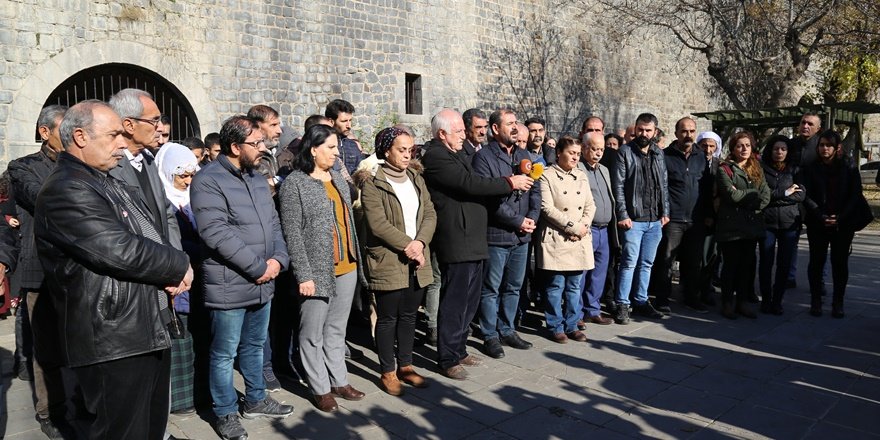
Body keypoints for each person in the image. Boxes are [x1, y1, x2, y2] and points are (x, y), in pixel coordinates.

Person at [34, 100, 193, 440]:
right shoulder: (67, 188)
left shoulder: (103, 179)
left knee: (149, 428)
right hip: (112, 337)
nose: (122, 142)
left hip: (140, 328)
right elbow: (120, 250)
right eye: (113, 134)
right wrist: (179, 265)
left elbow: (149, 229)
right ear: (80, 136)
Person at [190, 116, 293, 440]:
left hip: (264, 280)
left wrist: (278, 259)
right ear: (235, 147)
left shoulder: (256, 177)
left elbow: (273, 224)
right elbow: (215, 232)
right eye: (256, 143)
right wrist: (258, 267)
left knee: (254, 345)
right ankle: (225, 412)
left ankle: (256, 398)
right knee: (224, 353)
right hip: (230, 283)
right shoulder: (208, 180)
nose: (263, 149)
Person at [420, 109, 533, 380]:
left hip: (473, 236)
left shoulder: (457, 152)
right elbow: (469, 183)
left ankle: (459, 349)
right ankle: (447, 357)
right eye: (458, 131)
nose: (464, 135)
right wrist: (509, 182)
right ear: (442, 133)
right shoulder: (436, 156)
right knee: (455, 299)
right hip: (457, 236)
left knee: (470, 299)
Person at [279, 124, 367, 412]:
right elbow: (292, 233)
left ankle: (339, 380)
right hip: (316, 271)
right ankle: (320, 387)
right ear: (313, 149)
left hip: (347, 265)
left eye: (336, 148)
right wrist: (303, 275)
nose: (336, 153)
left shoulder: (337, 179)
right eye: (330, 148)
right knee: (312, 332)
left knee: (337, 329)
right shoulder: (295, 184)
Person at [6, 104, 69, 438]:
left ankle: (78, 400)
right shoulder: (22, 167)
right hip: (40, 270)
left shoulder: (81, 165)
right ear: (45, 132)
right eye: (65, 128)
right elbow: (43, 198)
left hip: (76, 270)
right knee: (45, 348)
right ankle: (50, 413)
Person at [360, 127, 436, 396]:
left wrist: (420, 244)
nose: (407, 155)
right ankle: (388, 371)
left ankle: (406, 366)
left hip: (416, 259)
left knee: (409, 316)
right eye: (401, 150)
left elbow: (429, 214)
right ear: (386, 151)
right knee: (387, 318)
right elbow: (377, 224)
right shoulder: (372, 182)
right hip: (389, 259)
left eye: (410, 150)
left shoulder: (416, 177)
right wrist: (409, 245)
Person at [473, 110, 539, 359]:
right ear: (494, 129)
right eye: (509, 124)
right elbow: (490, 198)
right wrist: (518, 220)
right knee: (491, 287)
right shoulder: (484, 159)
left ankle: (507, 329)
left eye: (515, 124)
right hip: (497, 234)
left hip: (522, 236)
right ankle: (490, 335)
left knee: (513, 286)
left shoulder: (523, 155)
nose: (515, 128)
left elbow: (536, 189)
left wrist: (531, 218)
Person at [802, 130, 872, 318]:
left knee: (839, 263)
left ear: (837, 147)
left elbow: (855, 194)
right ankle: (816, 301)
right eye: (822, 145)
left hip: (843, 222)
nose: (825, 148)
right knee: (816, 262)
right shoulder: (810, 167)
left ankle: (837, 302)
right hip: (818, 222)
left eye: (829, 145)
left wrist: (840, 217)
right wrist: (819, 214)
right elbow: (805, 194)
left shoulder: (848, 166)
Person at [155, 142, 201, 415]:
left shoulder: (195, 198)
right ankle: (179, 400)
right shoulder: (161, 201)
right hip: (177, 280)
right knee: (179, 341)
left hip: (201, 279)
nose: (187, 181)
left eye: (191, 174)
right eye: (181, 175)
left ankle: (198, 393)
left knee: (197, 341)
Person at [611, 113, 669, 324]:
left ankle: (641, 301)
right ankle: (622, 304)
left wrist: (665, 212)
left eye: (648, 130)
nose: (644, 134)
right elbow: (617, 186)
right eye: (640, 130)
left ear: (655, 131)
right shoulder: (625, 152)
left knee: (646, 263)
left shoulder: (658, 153)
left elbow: (663, 183)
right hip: (633, 220)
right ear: (635, 129)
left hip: (654, 219)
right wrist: (623, 214)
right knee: (628, 263)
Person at [536, 136, 595, 343]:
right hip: (557, 238)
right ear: (559, 152)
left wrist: (583, 226)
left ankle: (572, 324)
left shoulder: (581, 175)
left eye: (578, 154)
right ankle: (555, 326)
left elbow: (590, 204)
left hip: (578, 238)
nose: (575, 157)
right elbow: (547, 208)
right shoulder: (546, 175)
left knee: (574, 286)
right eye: (572, 153)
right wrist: (572, 226)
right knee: (555, 286)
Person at [650, 117, 711, 313]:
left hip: (696, 219)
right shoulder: (664, 156)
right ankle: (662, 298)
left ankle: (691, 297)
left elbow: (706, 187)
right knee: (666, 260)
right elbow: (660, 187)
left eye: (692, 131)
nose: (688, 135)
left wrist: (708, 213)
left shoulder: (701, 157)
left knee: (693, 262)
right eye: (684, 131)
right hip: (673, 218)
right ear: (676, 133)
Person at [714, 132, 770, 319]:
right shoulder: (725, 169)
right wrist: (751, 195)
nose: (744, 149)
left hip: (751, 226)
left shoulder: (757, 168)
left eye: (747, 145)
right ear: (733, 148)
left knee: (746, 267)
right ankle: (727, 303)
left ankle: (743, 302)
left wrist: (746, 195)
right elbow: (731, 196)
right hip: (731, 227)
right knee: (730, 266)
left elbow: (765, 197)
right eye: (740, 145)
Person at [758, 136, 804, 315]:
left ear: (788, 151)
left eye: (783, 149)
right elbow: (762, 195)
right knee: (766, 262)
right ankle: (766, 299)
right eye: (776, 149)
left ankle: (777, 300)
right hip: (767, 223)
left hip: (789, 223)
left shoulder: (795, 169)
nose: (779, 152)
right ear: (770, 150)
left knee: (784, 264)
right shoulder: (762, 169)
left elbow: (800, 195)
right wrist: (784, 193)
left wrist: (774, 198)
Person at [577, 133, 616, 327]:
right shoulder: (578, 169)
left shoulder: (605, 170)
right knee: (581, 273)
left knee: (599, 272)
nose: (598, 153)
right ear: (584, 148)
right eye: (594, 148)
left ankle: (592, 310)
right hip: (587, 229)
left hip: (605, 230)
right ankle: (576, 313)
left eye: (601, 149)